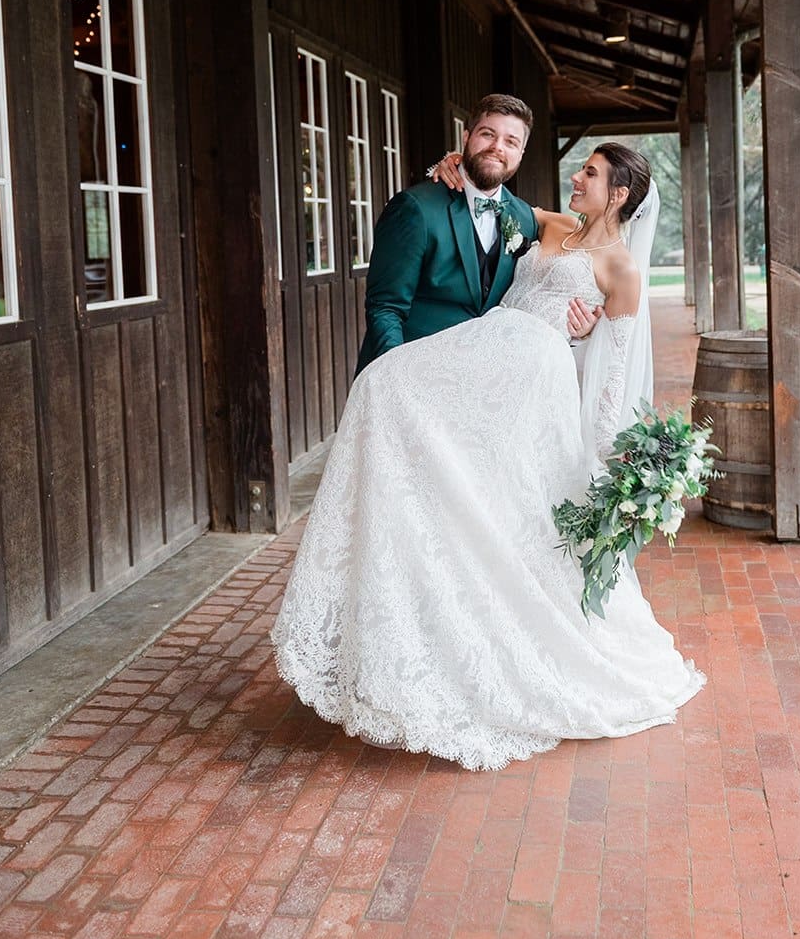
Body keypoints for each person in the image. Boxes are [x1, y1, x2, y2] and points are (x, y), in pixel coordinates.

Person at [270, 141, 706, 771]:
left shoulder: (621, 272)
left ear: (618, 195)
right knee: (386, 391)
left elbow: (612, 373)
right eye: (579, 168)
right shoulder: (553, 224)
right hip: (488, 349)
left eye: (590, 173)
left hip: (533, 375)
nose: (576, 179)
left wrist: (613, 454)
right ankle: (416, 624)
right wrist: (452, 168)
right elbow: (493, 199)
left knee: (400, 403)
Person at [355, 93, 594, 374]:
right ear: (466, 137)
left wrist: (580, 330)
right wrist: (395, 374)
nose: (497, 147)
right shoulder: (415, 209)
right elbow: (385, 307)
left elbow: (536, 298)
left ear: (521, 153)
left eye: (511, 141)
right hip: (416, 373)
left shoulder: (524, 219)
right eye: (487, 134)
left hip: (485, 383)